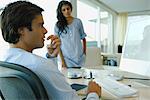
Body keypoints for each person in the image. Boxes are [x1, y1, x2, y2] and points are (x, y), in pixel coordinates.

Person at [0, 1, 101, 100]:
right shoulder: (41, 65)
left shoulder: (5, 63)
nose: (45, 31)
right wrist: (93, 93)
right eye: (40, 25)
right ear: (21, 30)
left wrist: (52, 56)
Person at [54, 0, 86, 68]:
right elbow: (57, 45)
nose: (66, 11)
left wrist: (84, 53)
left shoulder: (78, 22)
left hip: (79, 57)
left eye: (68, 8)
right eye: (64, 10)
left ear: (71, 8)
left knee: (80, 77)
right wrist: (63, 61)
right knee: (68, 78)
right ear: (61, 11)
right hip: (66, 59)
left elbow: (83, 38)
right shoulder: (58, 25)